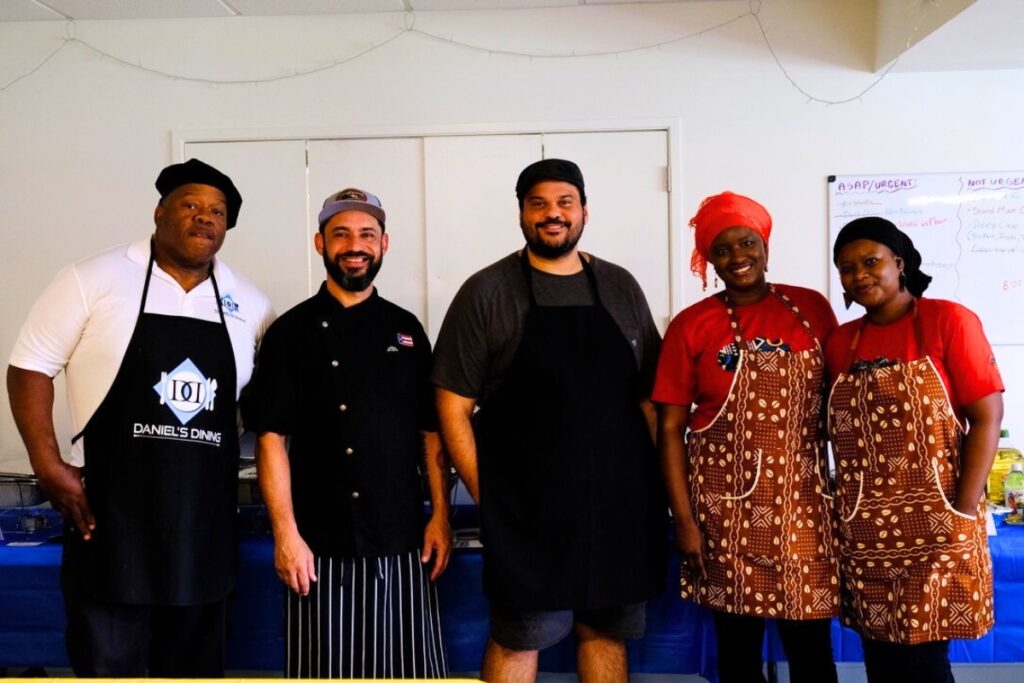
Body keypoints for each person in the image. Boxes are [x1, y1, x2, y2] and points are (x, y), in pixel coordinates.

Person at [6, 159, 273, 677]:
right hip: (109, 523)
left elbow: (265, 410)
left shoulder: (253, 304)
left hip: (204, 526)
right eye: (190, 205)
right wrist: (47, 464)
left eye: (216, 211)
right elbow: (29, 368)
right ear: (159, 211)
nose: (204, 218)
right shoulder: (94, 277)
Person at [433, 159, 666, 682]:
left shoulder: (619, 285)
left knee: (605, 632)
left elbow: (650, 400)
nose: (552, 214)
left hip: (617, 508)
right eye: (538, 203)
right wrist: (489, 498)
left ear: (584, 210)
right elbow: (451, 406)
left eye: (564, 202)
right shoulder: (487, 291)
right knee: (519, 637)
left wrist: (661, 490)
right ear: (521, 213)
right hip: (527, 516)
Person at [245, 188, 450, 679]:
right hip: (318, 543)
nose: (354, 246)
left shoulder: (406, 329)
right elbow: (272, 439)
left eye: (366, 235)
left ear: (384, 243)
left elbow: (432, 431)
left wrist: (441, 514)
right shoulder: (289, 334)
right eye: (341, 234)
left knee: (409, 672)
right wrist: (286, 535)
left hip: (401, 539)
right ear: (320, 244)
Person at [653, 191, 840, 683]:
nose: (737, 258)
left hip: (805, 508)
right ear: (708, 259)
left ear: (765, 244)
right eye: (722, 249)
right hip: (725, 513)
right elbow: (669, 429)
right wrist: (685, 520)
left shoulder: (812, 308)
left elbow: (843, 401)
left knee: (812, 655)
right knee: (738, 658)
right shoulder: (692, 326)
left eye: (746, 243)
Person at [827, 217, 1003, 683]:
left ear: (899, 263)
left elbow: (986, 417)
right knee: (880, 658)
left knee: (924, 662)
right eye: (846, 268)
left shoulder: (948, 320)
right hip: (864, 527)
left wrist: (962, 510)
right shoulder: (841, 342)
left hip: (937, 519)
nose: (859, 275)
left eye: (870, 262)